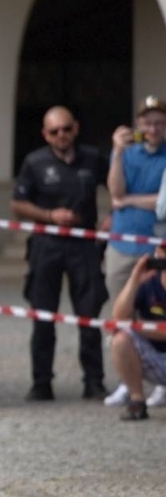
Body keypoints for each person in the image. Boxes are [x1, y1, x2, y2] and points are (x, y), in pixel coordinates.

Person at [11, 106, 110, 401]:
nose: (61, 135)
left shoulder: (92, 158)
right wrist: (50, 215)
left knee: (88, 314)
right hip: (47, 243)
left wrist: (114, 214)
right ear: (45, 134)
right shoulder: (35, 161)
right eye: (54, 131)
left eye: (66, 129)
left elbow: (117, 186)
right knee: (43, 315)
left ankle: (94, 381)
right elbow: (18, 203)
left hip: (83, 244)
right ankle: (42, 382)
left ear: (76, 128)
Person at [104, 97, 166, 408]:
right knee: (122, 313)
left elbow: (162, 201)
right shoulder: (127, 153)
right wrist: (116, 152)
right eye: (147, 123)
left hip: (156, 242)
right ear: (138, 124)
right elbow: (114, 192)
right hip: (122, 243)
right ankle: (128, 382)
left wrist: (130, 200)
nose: (152, 129)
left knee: (158, 310)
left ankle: (160, 383)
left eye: (159, 123)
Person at [109, 243, 166, 420]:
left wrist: (137, 325)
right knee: (120, 339)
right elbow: (118, 317)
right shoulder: (150, 280)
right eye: (163, 249)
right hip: (156, 357)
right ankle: (137, 400)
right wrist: (134, 281)